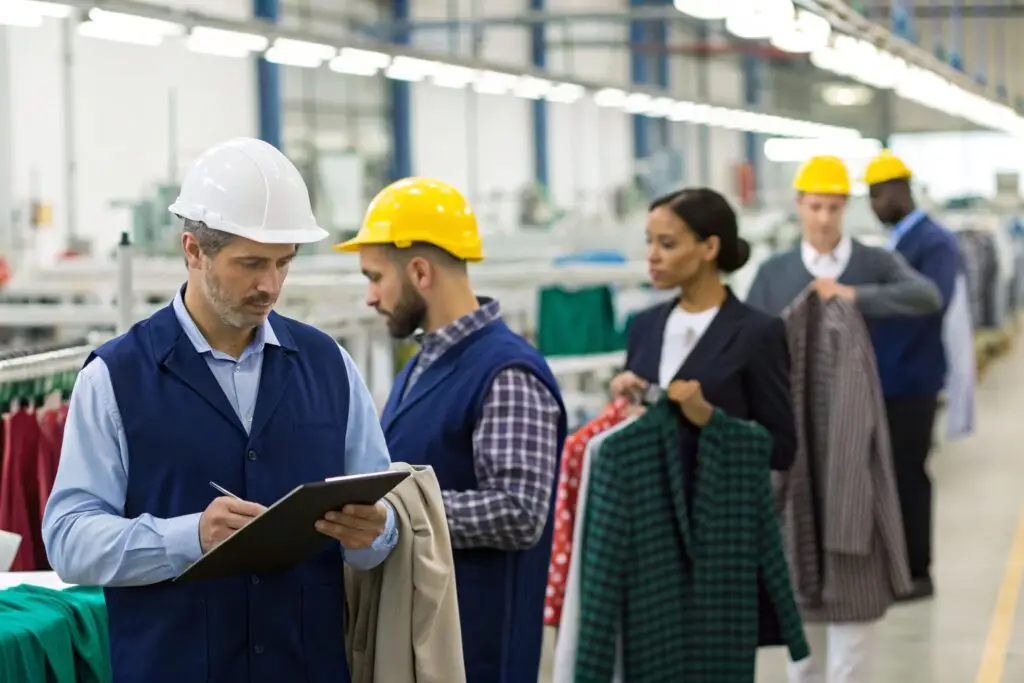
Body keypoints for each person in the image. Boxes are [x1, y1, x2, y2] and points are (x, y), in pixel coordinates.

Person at [42, 137, 397, 683]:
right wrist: (187, 537)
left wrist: (375, 532)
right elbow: (69, 539)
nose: (270, 285)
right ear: (193, 250)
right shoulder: (115, 378)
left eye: (284, 263)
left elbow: (381, 527)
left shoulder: (331, 368)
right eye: (250, 263)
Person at [335, 177, 567, 683]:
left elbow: (520, 511)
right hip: (429, 639)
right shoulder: (423, 364)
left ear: (419, 272)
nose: (370, 297)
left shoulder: (505, 373)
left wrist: (395, 513)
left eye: (376, 277)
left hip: (477, 648)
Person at [607, 187, 798, 647]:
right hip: (648, 540)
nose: (652, 257)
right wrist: (624, 406)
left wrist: (711, 420)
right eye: (649, 242)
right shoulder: (645, 327)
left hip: (718, 547)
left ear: (709, 248)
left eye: (667, 244)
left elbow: (782, 447)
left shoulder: (758, 333)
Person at [865, 149, 961, 601]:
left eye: (878, 194)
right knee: (893, 474)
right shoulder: (901, 242)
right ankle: (897, 566)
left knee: (908, 474)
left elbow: (932, 299)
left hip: (912, 377)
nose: (874, 204)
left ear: (900, 191)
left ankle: (917, 572)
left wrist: (857, 298)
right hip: (890, 375)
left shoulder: (934, 242)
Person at [745, 155, 942, 319]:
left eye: (833, 208)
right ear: (799, 204)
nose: (824, 219)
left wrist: (853, 295)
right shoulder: (771, 274)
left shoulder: (875, 261)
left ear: (845, 205)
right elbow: (751, 335)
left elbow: (928, 296)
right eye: (815, 207)